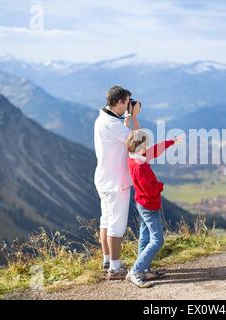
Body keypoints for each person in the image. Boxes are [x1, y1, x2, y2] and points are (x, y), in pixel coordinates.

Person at [125, 130, 183, 288]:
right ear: (141, 145)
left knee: (145, 238)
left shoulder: (136, 157)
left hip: (142, 204)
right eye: (146, 144)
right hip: (149, 205)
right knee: (157, 241)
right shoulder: (140, 166)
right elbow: (149, 190)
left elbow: (155, 150)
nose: (148, 147)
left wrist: (171, 142)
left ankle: (144, 268)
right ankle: (135, 271)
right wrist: (160, 186)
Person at [93, 85, 140, 280]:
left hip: (104, 178)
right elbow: (138, 143)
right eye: (128, 102)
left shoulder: (104, 119)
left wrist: (126, 122)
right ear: (120, 102)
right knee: (117, 225)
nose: (130, 105)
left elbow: (122, 138)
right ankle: (115, 268)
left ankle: (107, 261)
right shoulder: (113, 125)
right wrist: (135, 118)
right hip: (116, 182)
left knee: (106, 221)